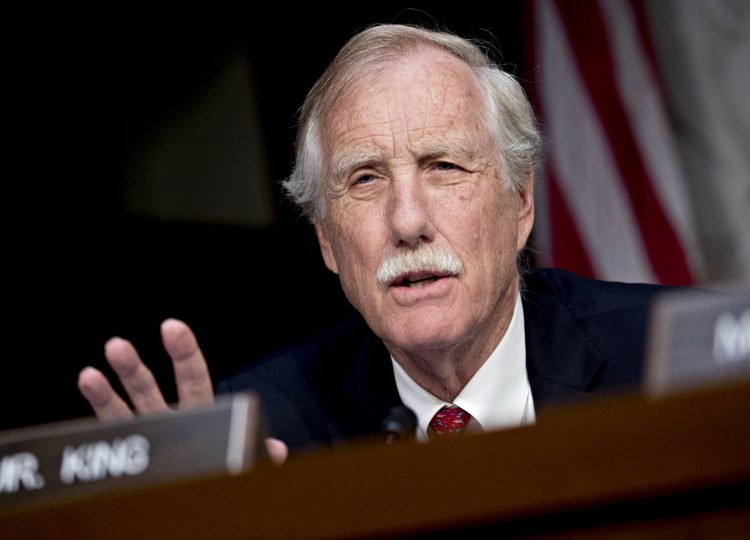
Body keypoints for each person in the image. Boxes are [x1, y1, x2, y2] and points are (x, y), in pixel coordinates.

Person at [77, 24, 663, 462]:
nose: (408, 222)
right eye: (365, 179)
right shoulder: (259, 436)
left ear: (521, 203)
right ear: (327, 239)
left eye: (444, 166)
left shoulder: (667, 362)